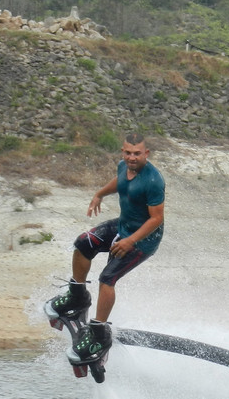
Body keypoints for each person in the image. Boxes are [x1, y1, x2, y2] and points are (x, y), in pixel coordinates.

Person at [45, 132, 165, 358]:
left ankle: (99, 332)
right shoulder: (123, 167)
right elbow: (120, 183)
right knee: (83, 243)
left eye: (137, 153)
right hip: (123, 226)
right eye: (128, 153)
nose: (132, 157)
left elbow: (156, 219)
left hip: (143, 240)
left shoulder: (153, 180)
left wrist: (130, 241)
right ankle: (77, 295)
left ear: (146, 154)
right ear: (123, 152)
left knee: (107, 278)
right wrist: (99, 194)